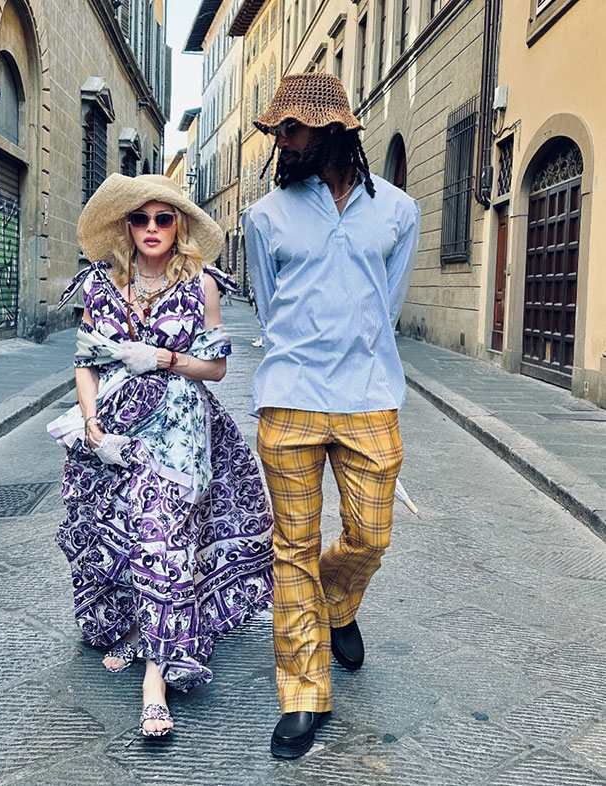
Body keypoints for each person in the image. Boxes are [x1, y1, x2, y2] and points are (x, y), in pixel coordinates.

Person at [48, 174, 273, 739]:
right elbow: (85, 364)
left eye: (163, 218)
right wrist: (92, 426)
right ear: (127, 226)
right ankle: (138, 630)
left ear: (179, 227)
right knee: (122, 535)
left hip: (179, 435)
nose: (152, 228)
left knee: (164, 542)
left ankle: (156, 680)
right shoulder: (101, 285)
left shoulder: (202, 286)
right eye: (141, 219)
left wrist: (163, 358)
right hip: (115, 431)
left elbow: (216, 368)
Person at [242, 73, 421, 758]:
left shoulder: (398, 211)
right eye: (278, 130)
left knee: (371, 536)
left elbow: (387, 303)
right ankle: (303, 693)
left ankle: (337, 603)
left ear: (332, 130)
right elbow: (269, 306)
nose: (281, 141)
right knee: (292, 547)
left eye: (291, 128)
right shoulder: (265, 216)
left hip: (369, 395)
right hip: (289, 396)